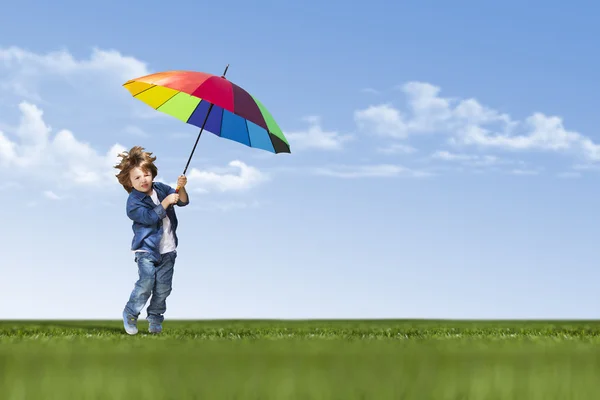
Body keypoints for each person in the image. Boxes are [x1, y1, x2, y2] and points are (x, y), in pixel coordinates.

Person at [114, 146, 189, 335]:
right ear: (129, 182)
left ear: (152, 174)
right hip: (146, 250)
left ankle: (155, 317)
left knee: (163, 288)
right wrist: (164, 203)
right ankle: (130, 312)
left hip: (168, 250)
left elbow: (182, 201)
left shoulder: (162, 188)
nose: (143, 180)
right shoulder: (133, 201)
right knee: (146, 282)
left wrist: (181, 187)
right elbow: (148, 218)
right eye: (137, 178)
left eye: (146, 174)